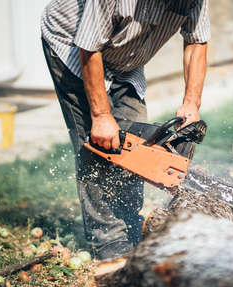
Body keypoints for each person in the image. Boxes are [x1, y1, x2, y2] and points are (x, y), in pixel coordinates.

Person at [41, 0, 210, 259]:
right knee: (97, 144)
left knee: (136, 145)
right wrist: (101, 115)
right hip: (74, 46)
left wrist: (191, 103)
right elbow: (89, 47)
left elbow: (197, 41)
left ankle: (129, 224)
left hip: (125, 56)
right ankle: (108, 239)